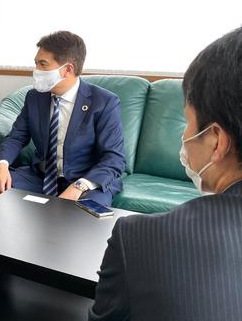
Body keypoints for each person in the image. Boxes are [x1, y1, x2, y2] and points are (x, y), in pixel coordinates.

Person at [89, 28, 242, 320]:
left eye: (187, 121)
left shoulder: (140, 238)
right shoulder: (33, 99)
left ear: (216, 141)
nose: (184, 135)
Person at [0, 31, 126, 206]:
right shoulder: (35, 97)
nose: (36, 70)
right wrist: (2, 164)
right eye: (36, 63)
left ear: (67, 69)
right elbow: (16, 136)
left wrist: (79, 187)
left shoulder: (104, 102)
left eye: (43, 64)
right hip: (42, 177)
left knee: (84, 213)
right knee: (0, 187)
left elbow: (114, 158)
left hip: (86, 181)